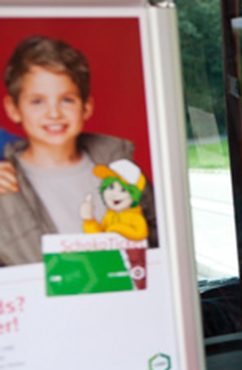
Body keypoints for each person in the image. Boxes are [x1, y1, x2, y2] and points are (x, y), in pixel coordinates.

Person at [0, 35, 156, 266]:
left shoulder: (122, 170)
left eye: (67, 100)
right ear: (13, 109)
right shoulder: (5, 185)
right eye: (37, 101)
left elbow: (158, 240)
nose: (54, 113)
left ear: (86, 107)